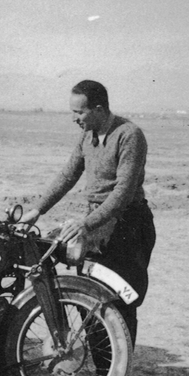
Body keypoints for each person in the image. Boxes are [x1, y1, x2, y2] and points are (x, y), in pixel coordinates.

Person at [19, 80, 156, 347]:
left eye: (79, 112)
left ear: (99, 108)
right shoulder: (87, 135)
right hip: (97, 227)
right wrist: (37, 210)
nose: (74, 119)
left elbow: (122, 193)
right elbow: (68, 175)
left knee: (120, 302)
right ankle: (100, 374)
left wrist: (85, 224)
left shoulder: (129, 135)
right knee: (87, 298)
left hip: (128, 227)